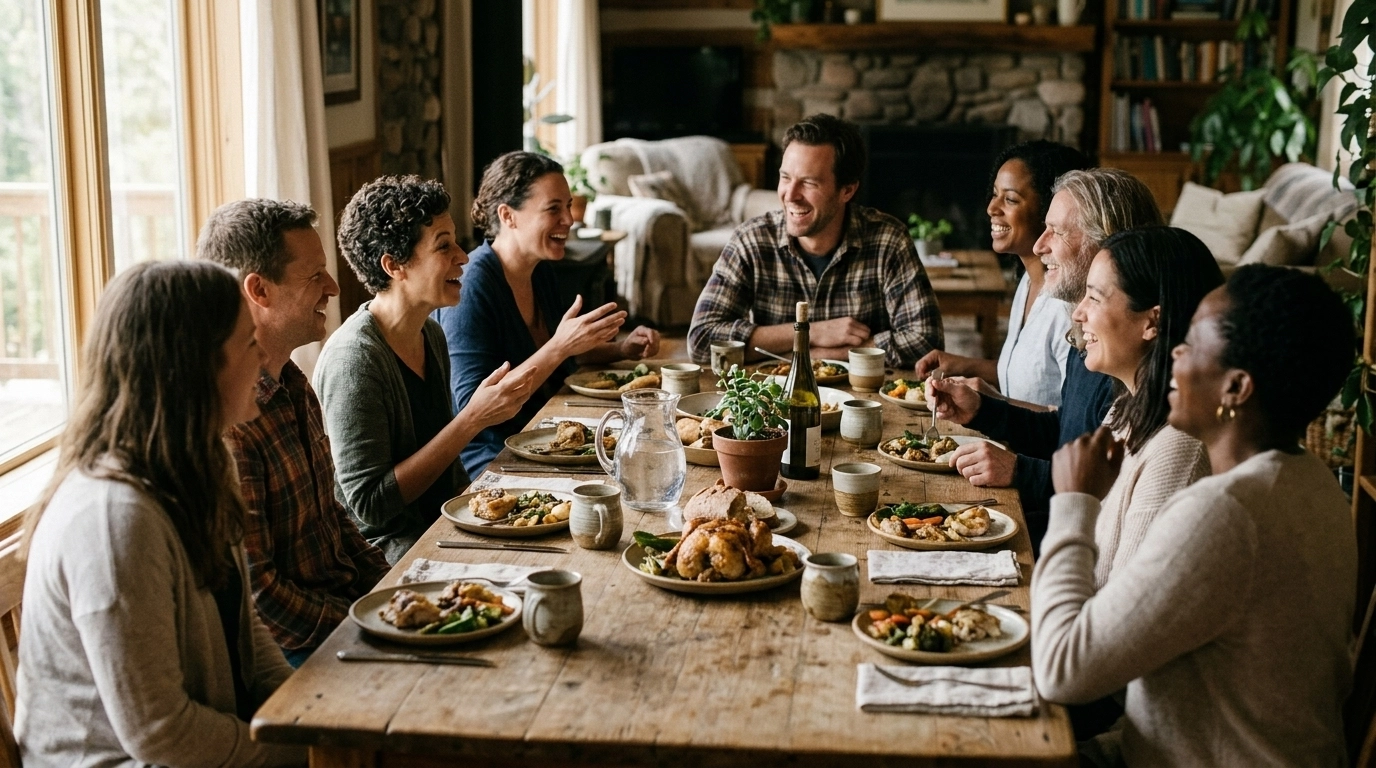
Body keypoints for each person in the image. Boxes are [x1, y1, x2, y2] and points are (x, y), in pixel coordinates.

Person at [1034, 264, 1356, 766]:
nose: (1175, 352)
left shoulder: (1224, 513)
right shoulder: (1315, 484)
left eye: (1193, 343)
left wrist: (1074, 502)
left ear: (1236, 387)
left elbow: (1061, 670)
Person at [16, 261, 304, 766]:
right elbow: (159, 733)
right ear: (197, 369)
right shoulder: (112, 518)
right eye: (247, 343)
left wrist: (304, 721)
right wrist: (292, 752)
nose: (262, 358)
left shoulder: (207, 461)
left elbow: (247, 632)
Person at [200, 199, 392, 668]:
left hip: (343, 614)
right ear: (258, 290)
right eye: (314, 276)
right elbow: (262, 598)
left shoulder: (292, 381)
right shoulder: (231, 425)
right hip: (297, 648)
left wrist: (395, 587)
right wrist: (366, 620)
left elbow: (332, 516)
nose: (332, 287)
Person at [926, 168, 1162, 548]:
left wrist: (1020, 471)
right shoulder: (1085, 335)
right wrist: (984, 410)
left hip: (1073, 542)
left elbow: (1110, 493)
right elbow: (1065, 436)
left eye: (1059, 231)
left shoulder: (1127, 359)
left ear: (1111, 247)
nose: (1039, 246)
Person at [316, 175, 533, 563]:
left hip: (443, 525)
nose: (463, 257)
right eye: (444, 247)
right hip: (387, 553)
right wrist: (471, 420)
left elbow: (447, 475)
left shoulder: (430, 333)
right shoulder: (353, 361)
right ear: (394, 265)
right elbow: (370, 506)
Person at [436, 151, 661, 478]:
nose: (569, 219)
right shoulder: (474, 288)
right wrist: (561, 346)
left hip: (547, 432)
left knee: (648, 452)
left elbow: (549, 352)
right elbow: (477, 407)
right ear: (508, 216)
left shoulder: (538, 269)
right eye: (553, 209)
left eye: (568, 206)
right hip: (493, 458)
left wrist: (619, 349)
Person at [687, 113, 943, 368]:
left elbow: (927, 343)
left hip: (862, 400)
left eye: (809, 183)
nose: (791, 195)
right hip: (775, 399)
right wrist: (810, 332)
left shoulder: (888, 240)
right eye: (785, 177)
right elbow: (701, 341)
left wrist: (823, 355)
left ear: (847, 190)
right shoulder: (751, 240)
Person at [914, 140, 1090, 407]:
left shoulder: (1069, 308)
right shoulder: (1027, 282)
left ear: (1050, 210)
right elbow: (1029, 376)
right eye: (994, 194)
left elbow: (1072, 422)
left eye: (1010, 199)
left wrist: (992, 403)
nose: (991, 208)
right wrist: (964, 365)